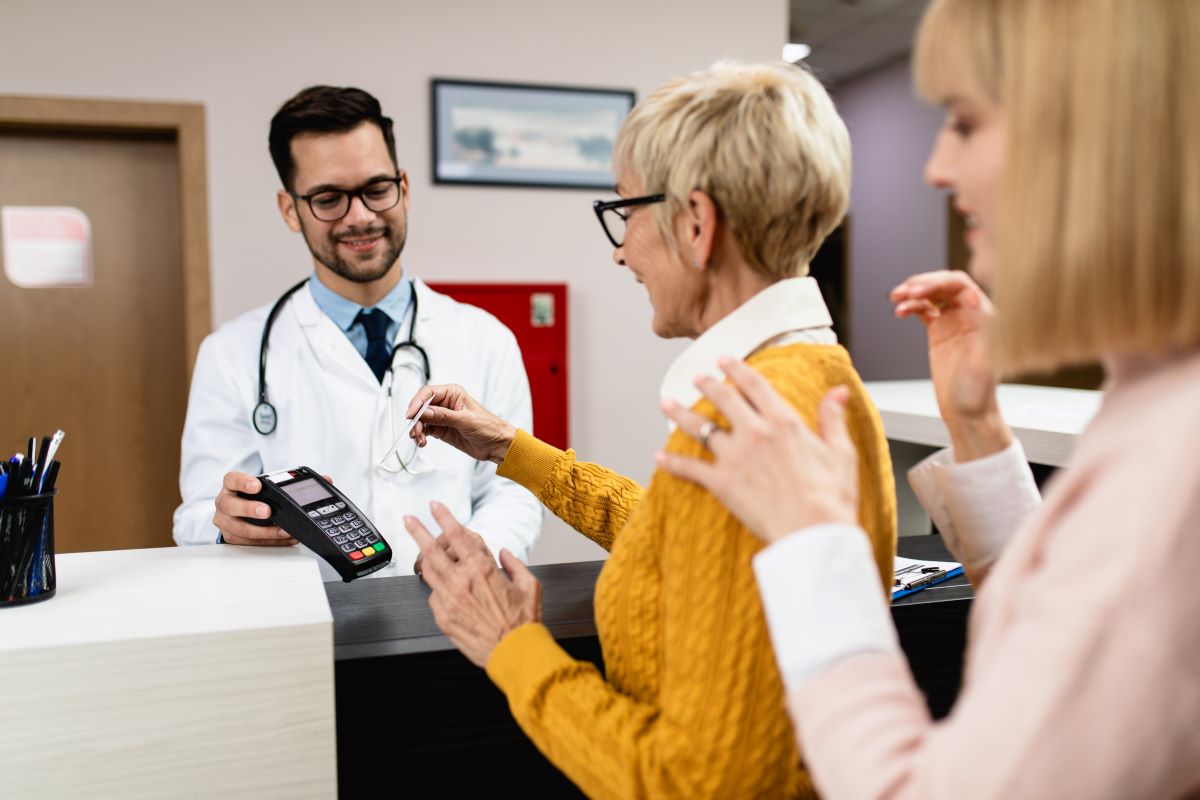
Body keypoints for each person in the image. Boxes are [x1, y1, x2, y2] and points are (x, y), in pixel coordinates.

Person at [658, 1, 1200, 797]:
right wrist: (977, 429)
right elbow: (1072, 637)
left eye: (967, 123)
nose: (937, 167)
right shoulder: (1153, 404)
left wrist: (814, 545)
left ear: (1099, 137)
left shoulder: (1171, 463)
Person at [400, 62, 898, 798]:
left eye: (626, 213)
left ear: (696, 224)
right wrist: (514, 451)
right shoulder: (814, 377)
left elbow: (689, 784)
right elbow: (688, 544)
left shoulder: (752, 414)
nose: (620, 249)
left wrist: (512, 648)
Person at [172, 86, 542, 578]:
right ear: (290, 209)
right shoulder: (231, 354)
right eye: (329, 198)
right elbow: (197, 514)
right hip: (300, 622)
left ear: (404, 188)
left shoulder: (486, 339)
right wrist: (227, 525)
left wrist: (476, 553)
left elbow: (513, 492)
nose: (361, 216)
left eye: (376, 189)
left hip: (453, 617)